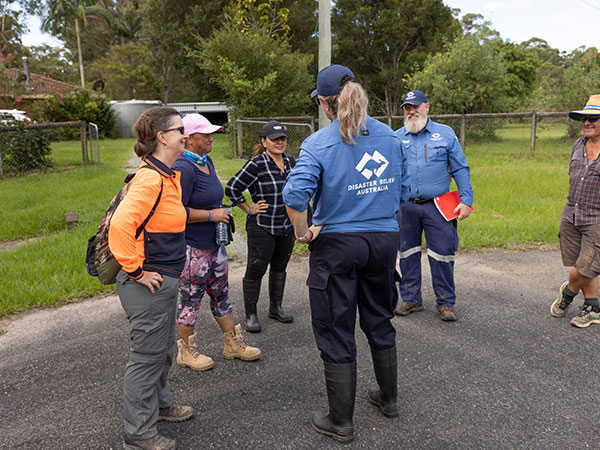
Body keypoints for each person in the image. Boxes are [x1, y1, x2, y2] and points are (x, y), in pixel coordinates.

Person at [282, 64, 410, 443]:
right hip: (384, 240)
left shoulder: (319, 143)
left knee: (337, 327)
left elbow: (293, 195)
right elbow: (402, 191)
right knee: (379, 317)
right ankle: (389, 400)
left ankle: (341, 422)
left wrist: (304, 233)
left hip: (337, 245)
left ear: (325, 104)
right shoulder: (390, 137)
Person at [109, 106, 193, 450]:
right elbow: (120, 226)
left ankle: (160, 407)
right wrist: (137, 271)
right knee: (147, 357)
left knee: (161, 352)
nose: (184, 135)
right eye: (179, 130)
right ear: (162, 137)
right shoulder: (149, 178)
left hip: (164, 279)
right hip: (148, 284)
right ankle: (139, 433)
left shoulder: (165, 174)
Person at [173, 113, 261, 371]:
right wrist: (212, 215)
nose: (211, 138)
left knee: (221, 293)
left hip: (215, 245)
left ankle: (232, 344)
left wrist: (218, 213)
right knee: (191, 298)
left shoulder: (206, 161)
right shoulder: (183, 168)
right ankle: (186, 352)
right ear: (188, 139)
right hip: (193, 249)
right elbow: (177, 212)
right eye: (205, 134)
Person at [394, 89, 473, 322]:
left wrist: (466, 200)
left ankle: (446, 302)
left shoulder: (445, 134)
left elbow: (460, 168)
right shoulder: (396, 137)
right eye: (407, 108)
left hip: (438, 206)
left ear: (427, 107)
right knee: (407, 253)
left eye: (416, 106)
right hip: (405, 206)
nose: (412, 111)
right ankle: (411, 299)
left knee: (442, 254)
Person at [225, 120, 296, 333]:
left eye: (282, 138)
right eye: (274, 139)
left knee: (280, 267)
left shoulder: (292, 161)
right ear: (264, 142)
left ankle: (276, 308)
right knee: (256, 268)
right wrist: (249, 209)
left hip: (286, 224)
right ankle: (251, 314)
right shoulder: (257, 164)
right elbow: (232, 187)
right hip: (262, 225)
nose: (279, 142)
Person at [550, 94, 600, 328]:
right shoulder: (577, 144)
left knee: (585, 266)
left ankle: (568, 294)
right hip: (571, 214)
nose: (587, 123)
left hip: (597, 218)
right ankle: (592, 307)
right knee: (585, 265)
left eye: (593, 118)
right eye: (584, 119)